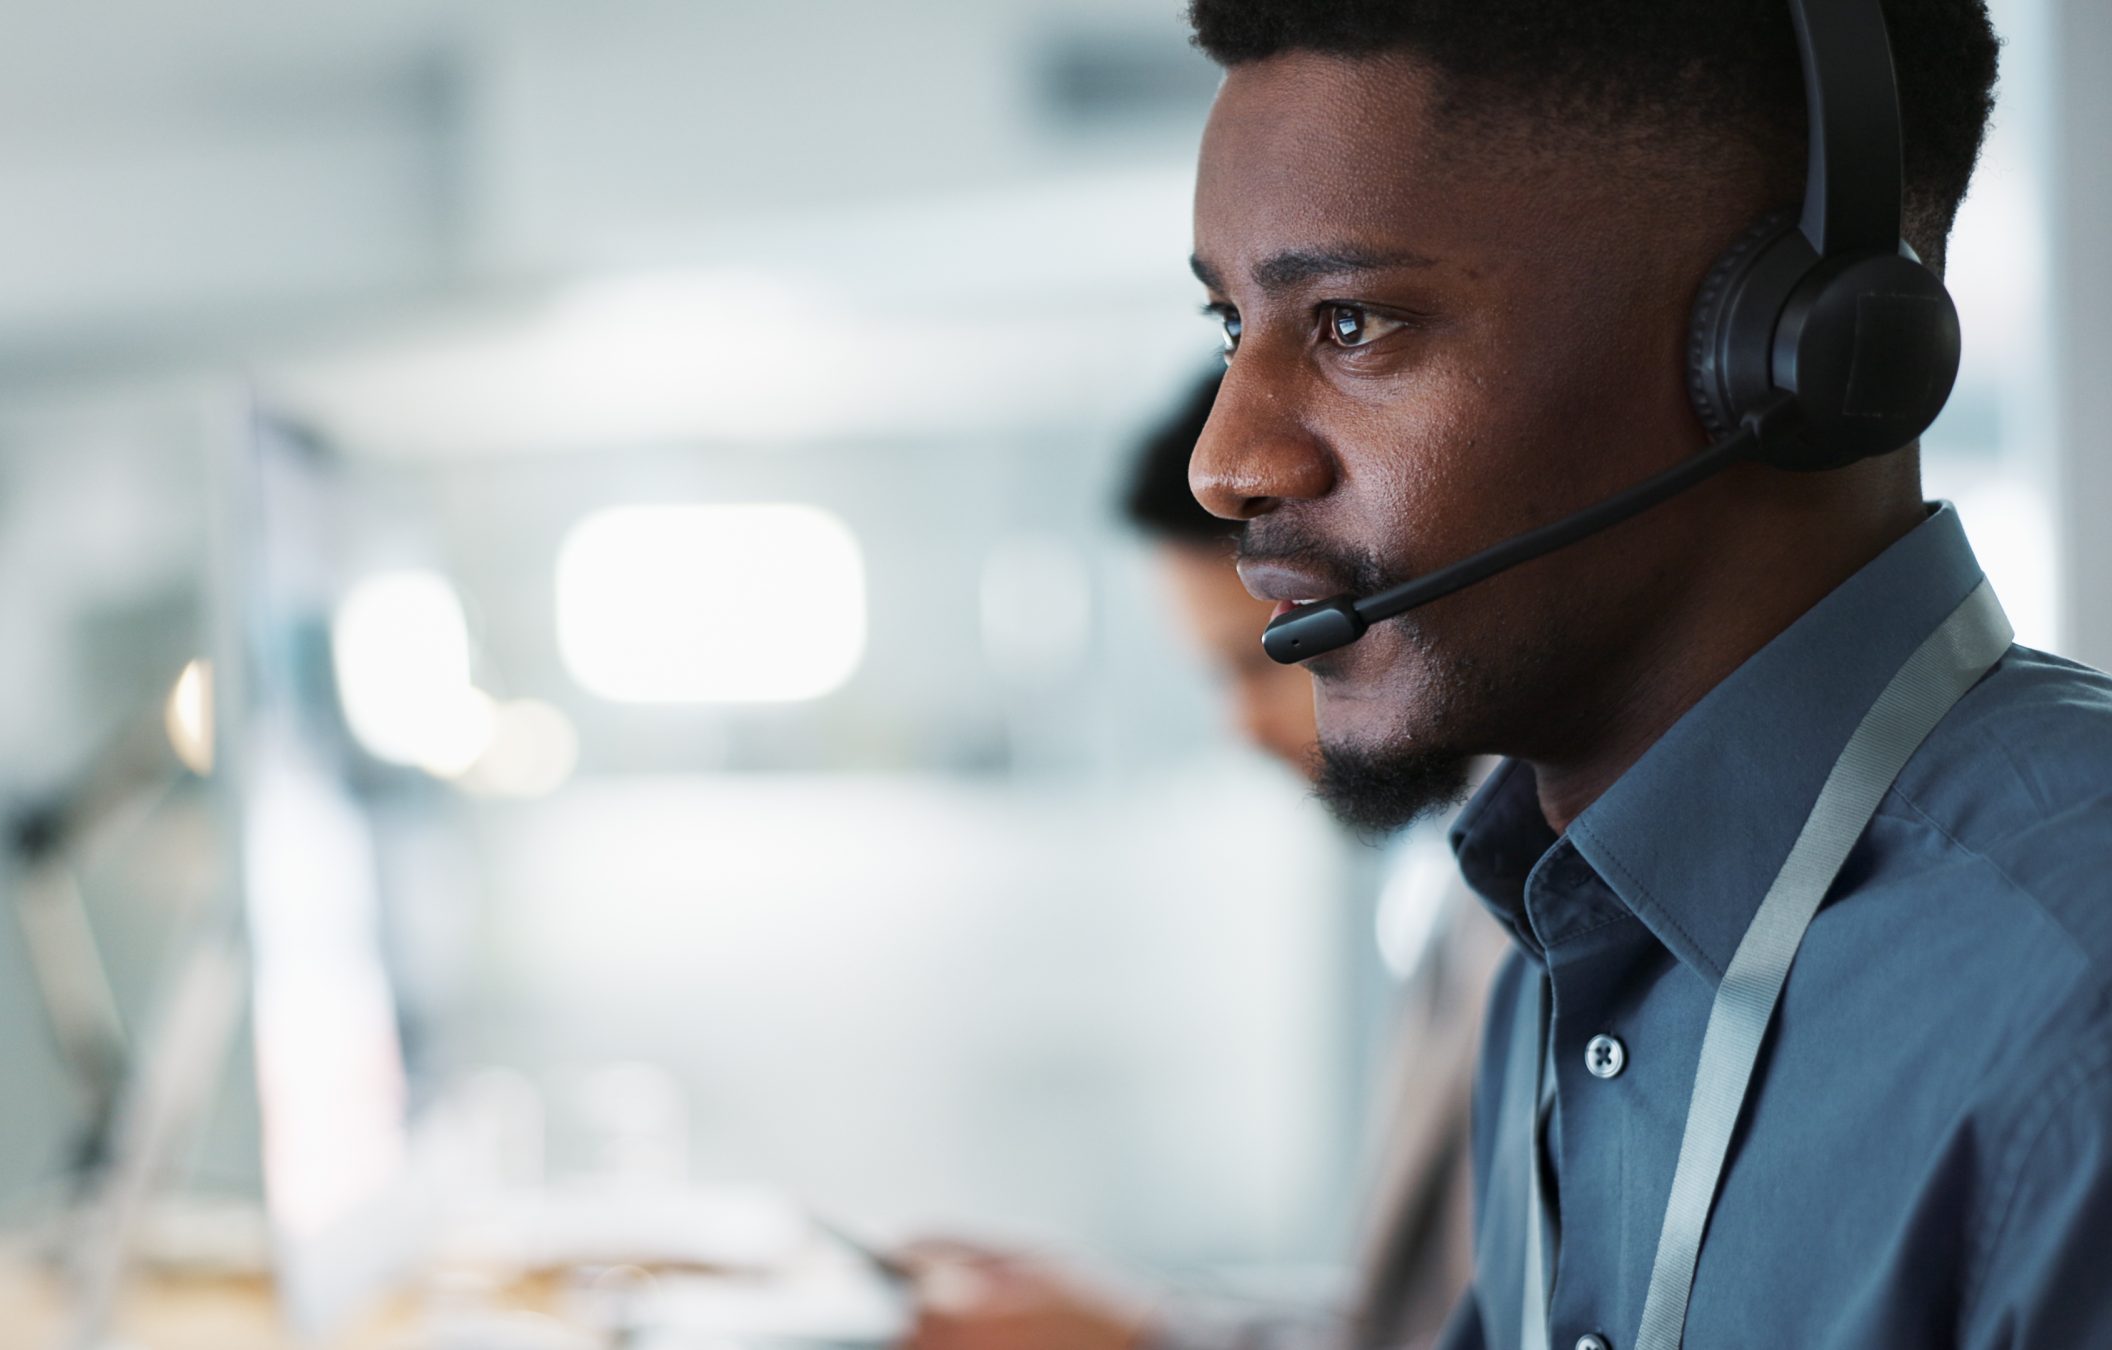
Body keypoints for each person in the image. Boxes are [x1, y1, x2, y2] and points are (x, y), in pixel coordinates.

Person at [1185, 1, 2112, 1346]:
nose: (1227, 461)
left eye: (1349, 323)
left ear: (1793, 350)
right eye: (1232, 327)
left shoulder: (2073, 1012)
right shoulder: (1569, 937)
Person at [903, 374, 1506, 1350]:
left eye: (1266, 658)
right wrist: (1141, 1329)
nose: (1240, 727)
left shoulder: (1554, 903)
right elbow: (1427, 1322)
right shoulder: (1468, 885)